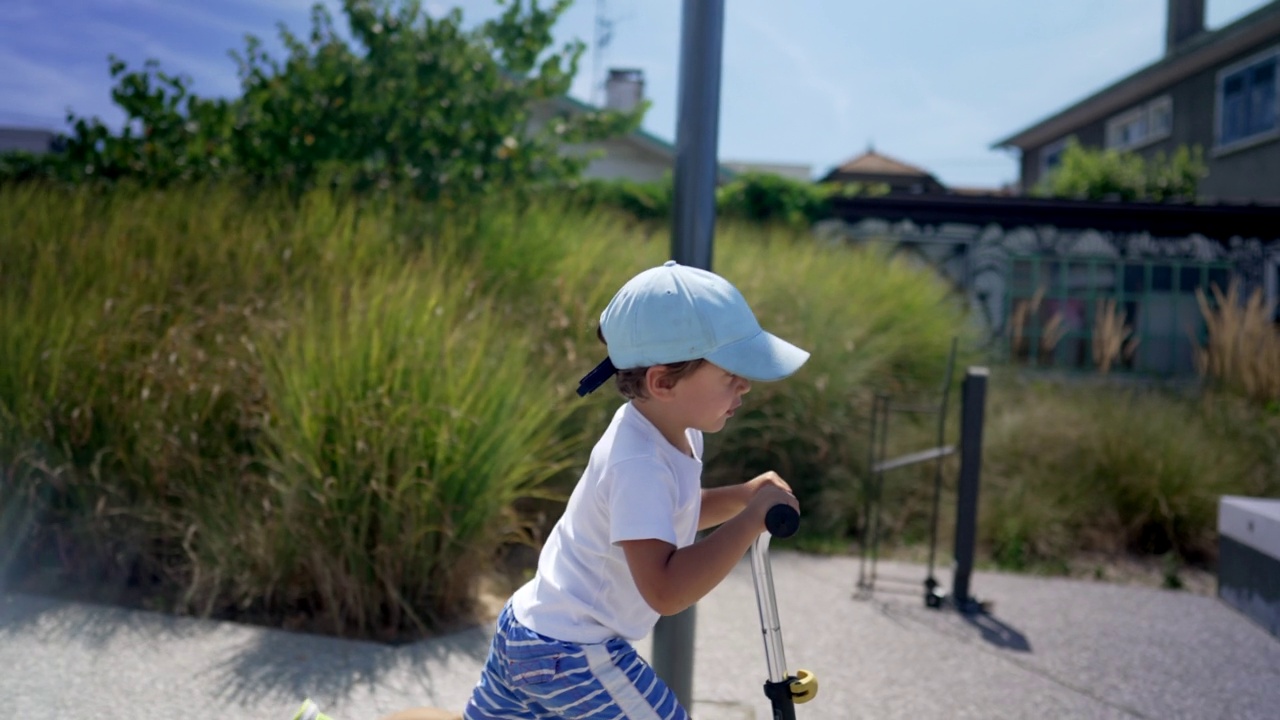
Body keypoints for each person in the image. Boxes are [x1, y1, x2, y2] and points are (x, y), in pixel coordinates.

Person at [463, 260, 810, 720]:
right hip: (573, 654)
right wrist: (749, 522)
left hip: (530, 629)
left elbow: (670, 517)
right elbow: (665, 592)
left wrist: (745, 495)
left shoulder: (670, 431)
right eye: (730, 374)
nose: (744, 385)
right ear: (663, 381)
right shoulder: (639, 463)